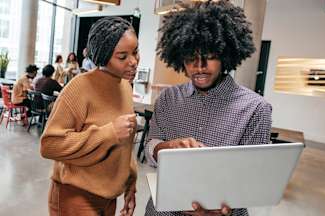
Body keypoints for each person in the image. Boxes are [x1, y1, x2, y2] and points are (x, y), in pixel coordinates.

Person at [144, 1, 272, 216]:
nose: (199, 66)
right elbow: (150, 145)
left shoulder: (255, 109)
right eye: (190, 57)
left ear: (226, 55)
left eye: (209, 56)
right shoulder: (168, 99)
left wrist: (223, 208)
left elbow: (252, 179)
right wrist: (163, 148)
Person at [40, 17, 140, 216]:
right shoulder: (80, 87)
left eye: (135, 51)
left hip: (109, 197)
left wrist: (130, 183)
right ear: (103, 57)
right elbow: (49, 145)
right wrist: (109, 132)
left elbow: (123, 144)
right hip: (76, 196)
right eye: (122, 56)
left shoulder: (125, 87)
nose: (133, 62)